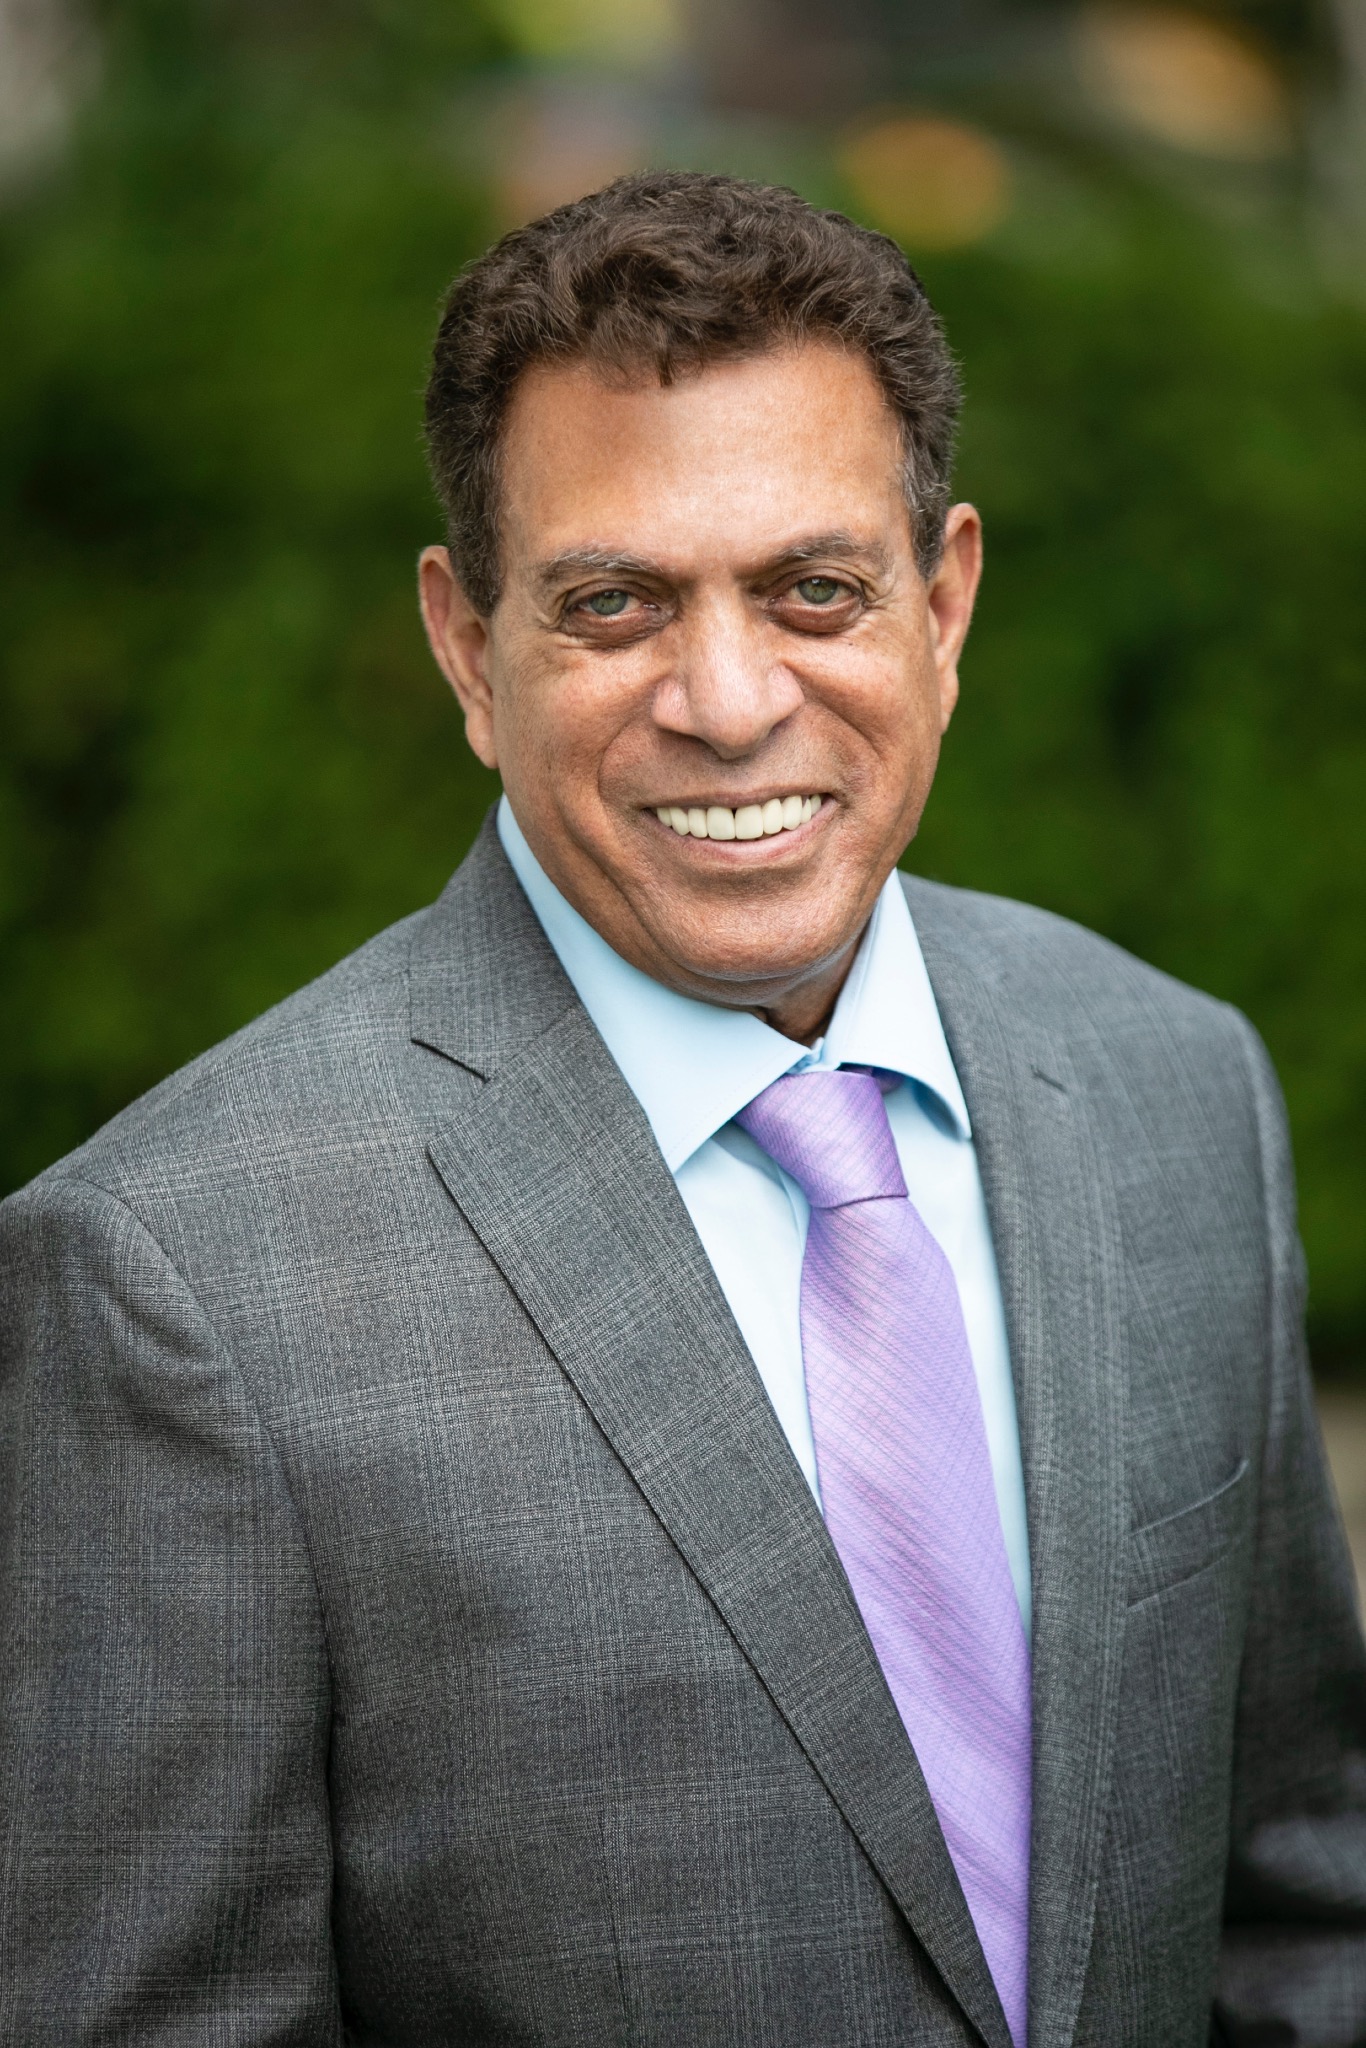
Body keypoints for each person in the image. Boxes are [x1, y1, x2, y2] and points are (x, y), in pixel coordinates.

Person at [1, 169, 1363, 2048]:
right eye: (614, 603)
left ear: (945, 603)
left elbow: (1299, 1909)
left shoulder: (1170, 1084)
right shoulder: (173, 1280)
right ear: (467, 648)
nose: (727, 702)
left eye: (815, 590)